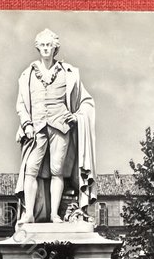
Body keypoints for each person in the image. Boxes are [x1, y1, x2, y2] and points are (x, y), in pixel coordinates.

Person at [15, 29, 97, 225]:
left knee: (57, 171)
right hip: (36, 129)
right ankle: (29, 215)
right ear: (37, 48)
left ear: (55, 48)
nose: (45, 49)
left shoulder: (69, 73)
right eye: (42, 45)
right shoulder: (27, 75)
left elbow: (86, 101)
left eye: (49, 45)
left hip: (60, 127)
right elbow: (21, 104)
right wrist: (26, 124)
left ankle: (54, 215)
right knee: (30, 171)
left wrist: (77, 117)